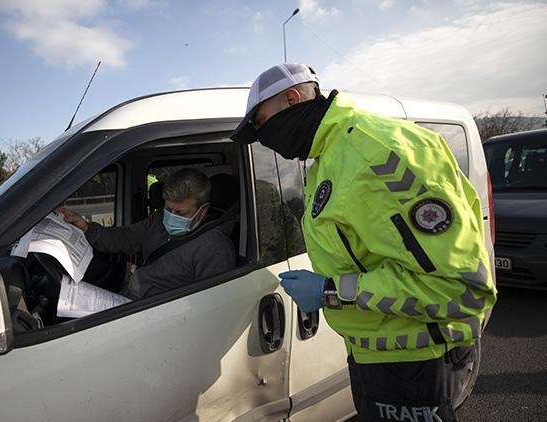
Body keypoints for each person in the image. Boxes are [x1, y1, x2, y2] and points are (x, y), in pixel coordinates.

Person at [231, 63, 496, 421]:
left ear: (292, 99)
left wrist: (329, 290)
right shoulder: (328, 157)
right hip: (375, 357)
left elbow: (460, 288)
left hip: (418, 365)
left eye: (261, 124)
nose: (264, 138)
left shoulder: (378, 154)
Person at [59, 168, 236, 299]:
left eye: (180, 213)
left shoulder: (215, 249)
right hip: (131, 297)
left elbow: (208, 307)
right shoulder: (159, 219)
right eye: (168, 209)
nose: (171, 216)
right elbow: (126, 238)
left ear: (203, 210)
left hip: (155, 315)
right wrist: (86, 227)